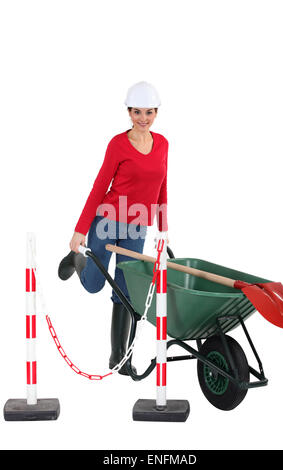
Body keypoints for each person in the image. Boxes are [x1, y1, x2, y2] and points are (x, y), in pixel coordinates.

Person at [58, 81, 168, 375]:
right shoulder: (118, 145)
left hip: (138, 226)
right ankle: (77, 260)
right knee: (94, 285)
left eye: (148, 112)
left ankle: (119, 358)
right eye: (137, 112)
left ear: (156, 113)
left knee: (125, 291)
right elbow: (98, 188)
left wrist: (163, 226)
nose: (143, 118)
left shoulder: (164, 145)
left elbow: (162, 185)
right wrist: (80, 230)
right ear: (129, 112)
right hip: (107, 221)